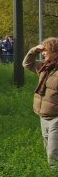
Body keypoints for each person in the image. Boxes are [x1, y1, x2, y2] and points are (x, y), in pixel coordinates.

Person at [23, 38, 58, 167]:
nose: (43, 53)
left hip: (56, 118)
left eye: (45, 50)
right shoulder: (44, 67)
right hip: (43, 116)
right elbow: (27, 64)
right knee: (48, 149)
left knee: (53, 155)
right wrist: (33, 51)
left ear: (55, 52)